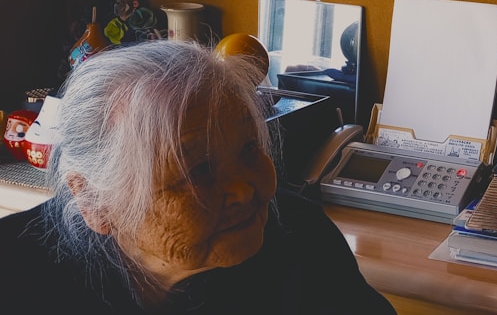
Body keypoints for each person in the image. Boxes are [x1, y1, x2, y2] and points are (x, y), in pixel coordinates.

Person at [0, 40, 396, 313]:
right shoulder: (16, 275)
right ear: (95, 202)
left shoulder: (301, 241)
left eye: (248, 149)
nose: (244, 188)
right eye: (197, 172)